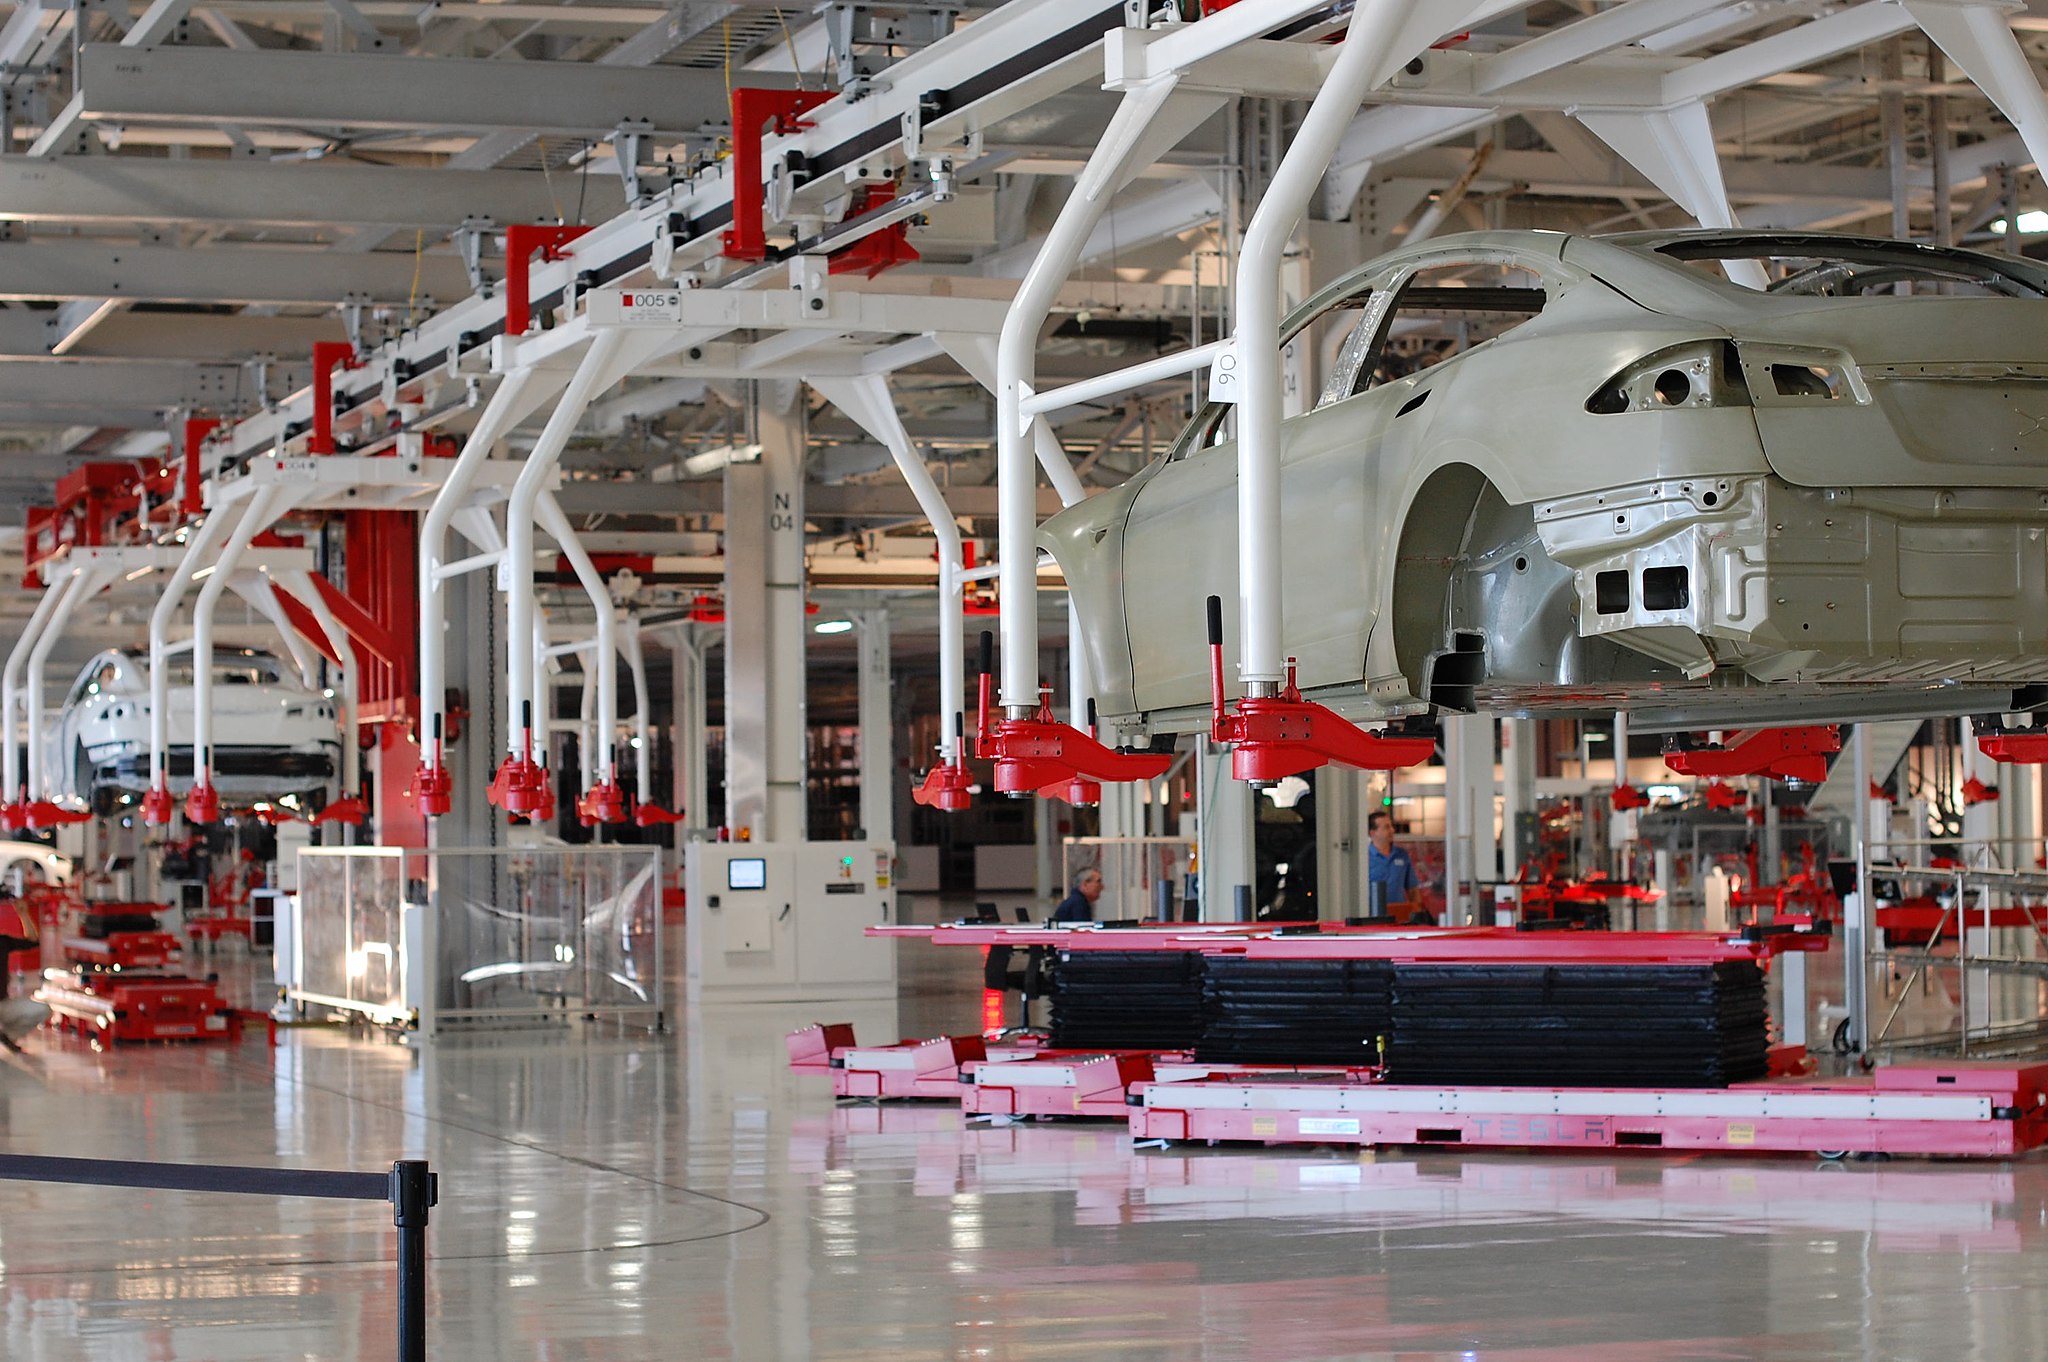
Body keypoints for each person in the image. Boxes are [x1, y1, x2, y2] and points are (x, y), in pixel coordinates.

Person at [1367, 811, 1417, 911]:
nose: (1392, 830)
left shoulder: (1402, 855)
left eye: (1391, 826)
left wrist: (1418, 914)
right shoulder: (1365, 859)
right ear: (1373, 833)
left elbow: (1412, 890)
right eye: (1386, 827)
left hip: (1398, 915)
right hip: (1372, 916)